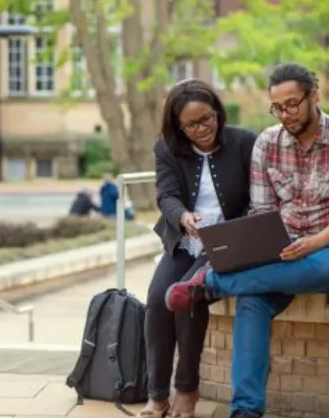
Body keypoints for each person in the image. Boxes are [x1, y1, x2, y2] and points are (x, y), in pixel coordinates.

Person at [164, 64, 329, 418]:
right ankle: (245, 410)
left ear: (314, 94)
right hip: (280, 252)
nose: (286, 114)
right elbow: (262, 212)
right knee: (252, 302)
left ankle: (212, 284)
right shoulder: (267, 143)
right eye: (278, 107)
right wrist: (263, 248)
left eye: (293, 104)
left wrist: (314, 243)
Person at [141, 79, 256, 418]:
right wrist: (183, 217)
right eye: (191, 125)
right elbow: (166, 195)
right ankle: (156, 394)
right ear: (178, 126)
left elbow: (258, 196)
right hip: (185, 241)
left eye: (207, 119)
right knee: (156, 299)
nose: (202, 129)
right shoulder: (166, 148)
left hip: (227, 242)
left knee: (186, 297)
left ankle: (187, 391)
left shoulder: (244, 142)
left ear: (217, 112)